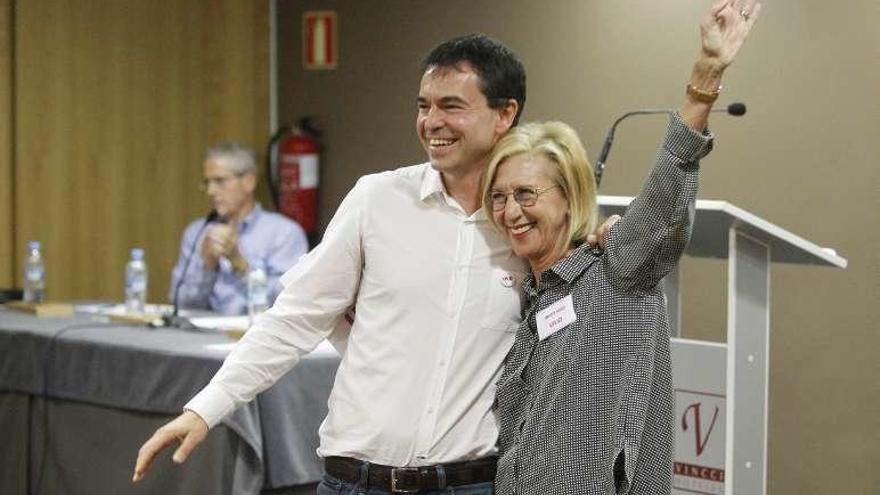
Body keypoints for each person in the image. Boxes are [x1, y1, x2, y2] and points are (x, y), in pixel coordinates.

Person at [136, 35, 533, 494]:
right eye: (423, 105)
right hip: (355, 482)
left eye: (451, 106)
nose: (431, 122)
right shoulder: (377, 200)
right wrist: (204, 409)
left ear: (505, 114)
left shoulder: (527, 225)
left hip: (471, 484)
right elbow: (295, 318)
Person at [483, 2, 760, 494]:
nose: (511, 211)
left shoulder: (616, 271)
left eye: (526, 194)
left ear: (569, 197)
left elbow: (664, 191)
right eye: (499, 197)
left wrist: (706, 76)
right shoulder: (530, 297)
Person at [169, 142, 309, 315]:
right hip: (202, 336)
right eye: (207, 182)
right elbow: (180, 305)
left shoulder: (284, 234)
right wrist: (207, 268)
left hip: (257, 336)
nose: (211, 191)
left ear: (249, 182)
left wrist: (240, 265)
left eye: (220, 181)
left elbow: (290, 303)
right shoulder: (197, 232)